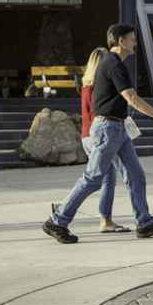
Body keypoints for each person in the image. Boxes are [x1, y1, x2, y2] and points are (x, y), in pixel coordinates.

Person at [42, 23, 153, 244]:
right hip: (107, 129)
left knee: (135, 175)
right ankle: (58, 220)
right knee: (93, 178)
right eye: (132, 38)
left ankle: (145, 223)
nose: (135, 42)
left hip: (118, 127)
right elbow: (131, 98)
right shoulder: (114, 63)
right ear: (121, 41)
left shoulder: (114, 63)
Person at [51, 47, 130, 233]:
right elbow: (99, 113)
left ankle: (102, 218)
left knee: (103, 177)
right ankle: (66, 212)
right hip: (99, 135)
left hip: (88, 135)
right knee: (95, 178)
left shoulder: (87, 86)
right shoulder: (97, 88)